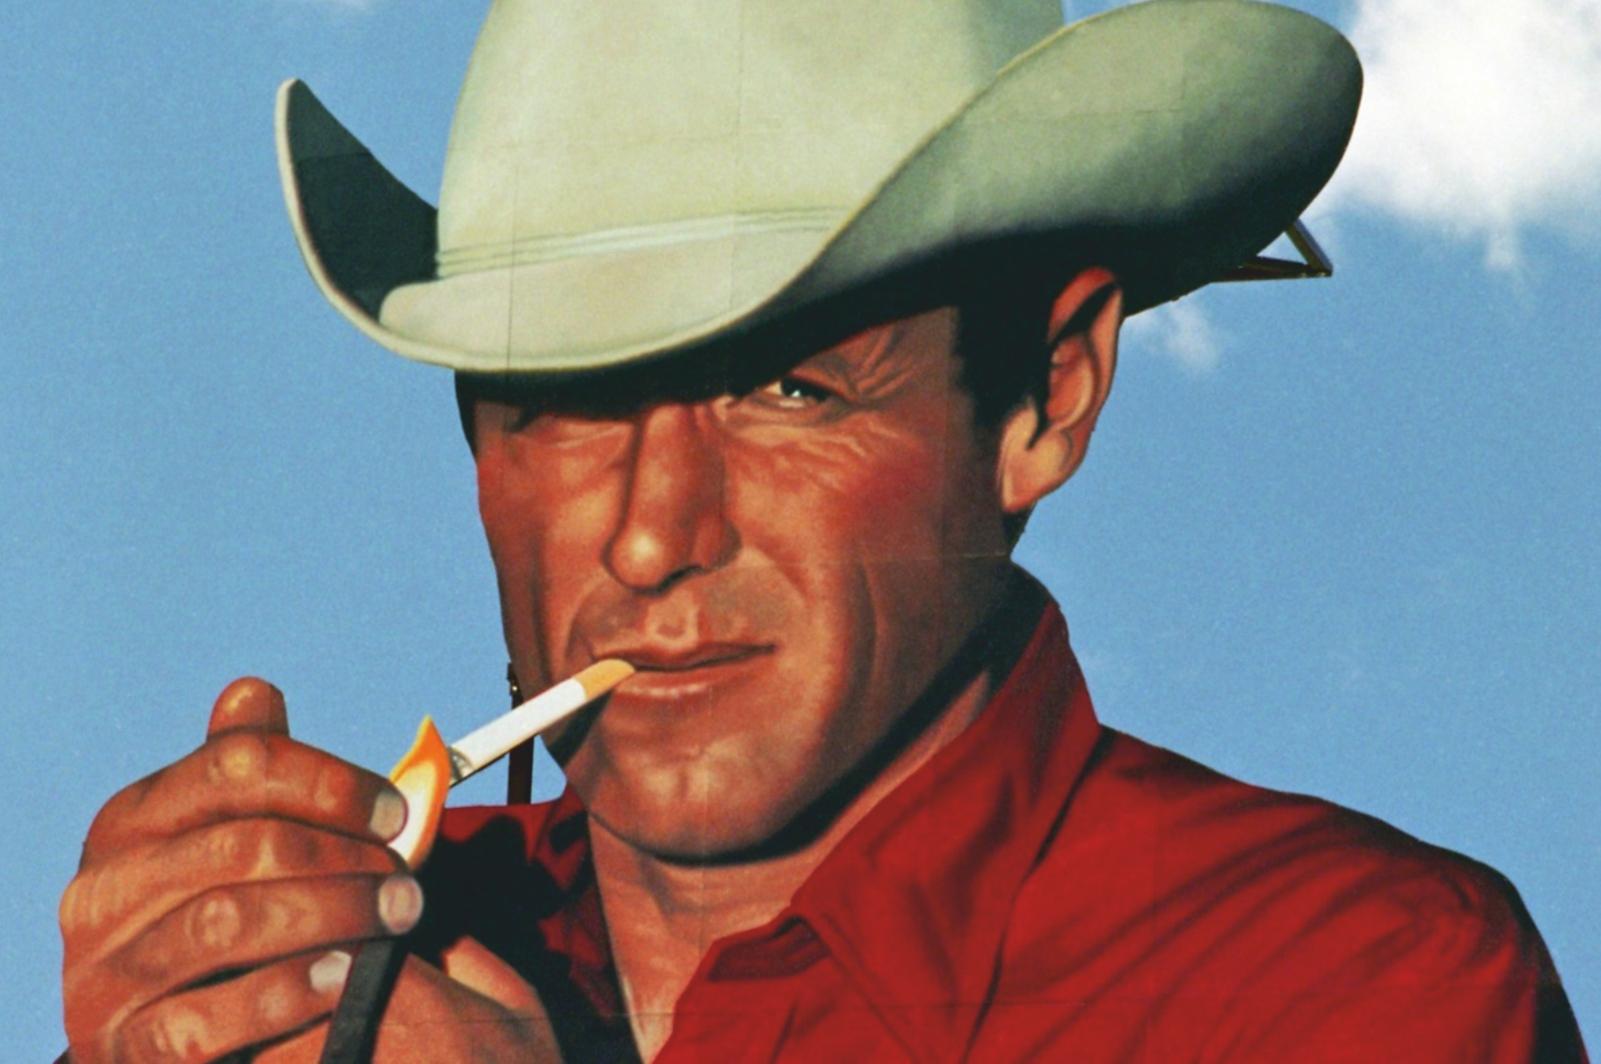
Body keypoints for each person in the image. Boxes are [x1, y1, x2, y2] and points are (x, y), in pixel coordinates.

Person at [58, 1, 1587, 1061]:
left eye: (791, 390)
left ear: (1045, 396)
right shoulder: (327, 961)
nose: (650, 537)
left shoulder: (1339, 988)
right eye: (570, 403)